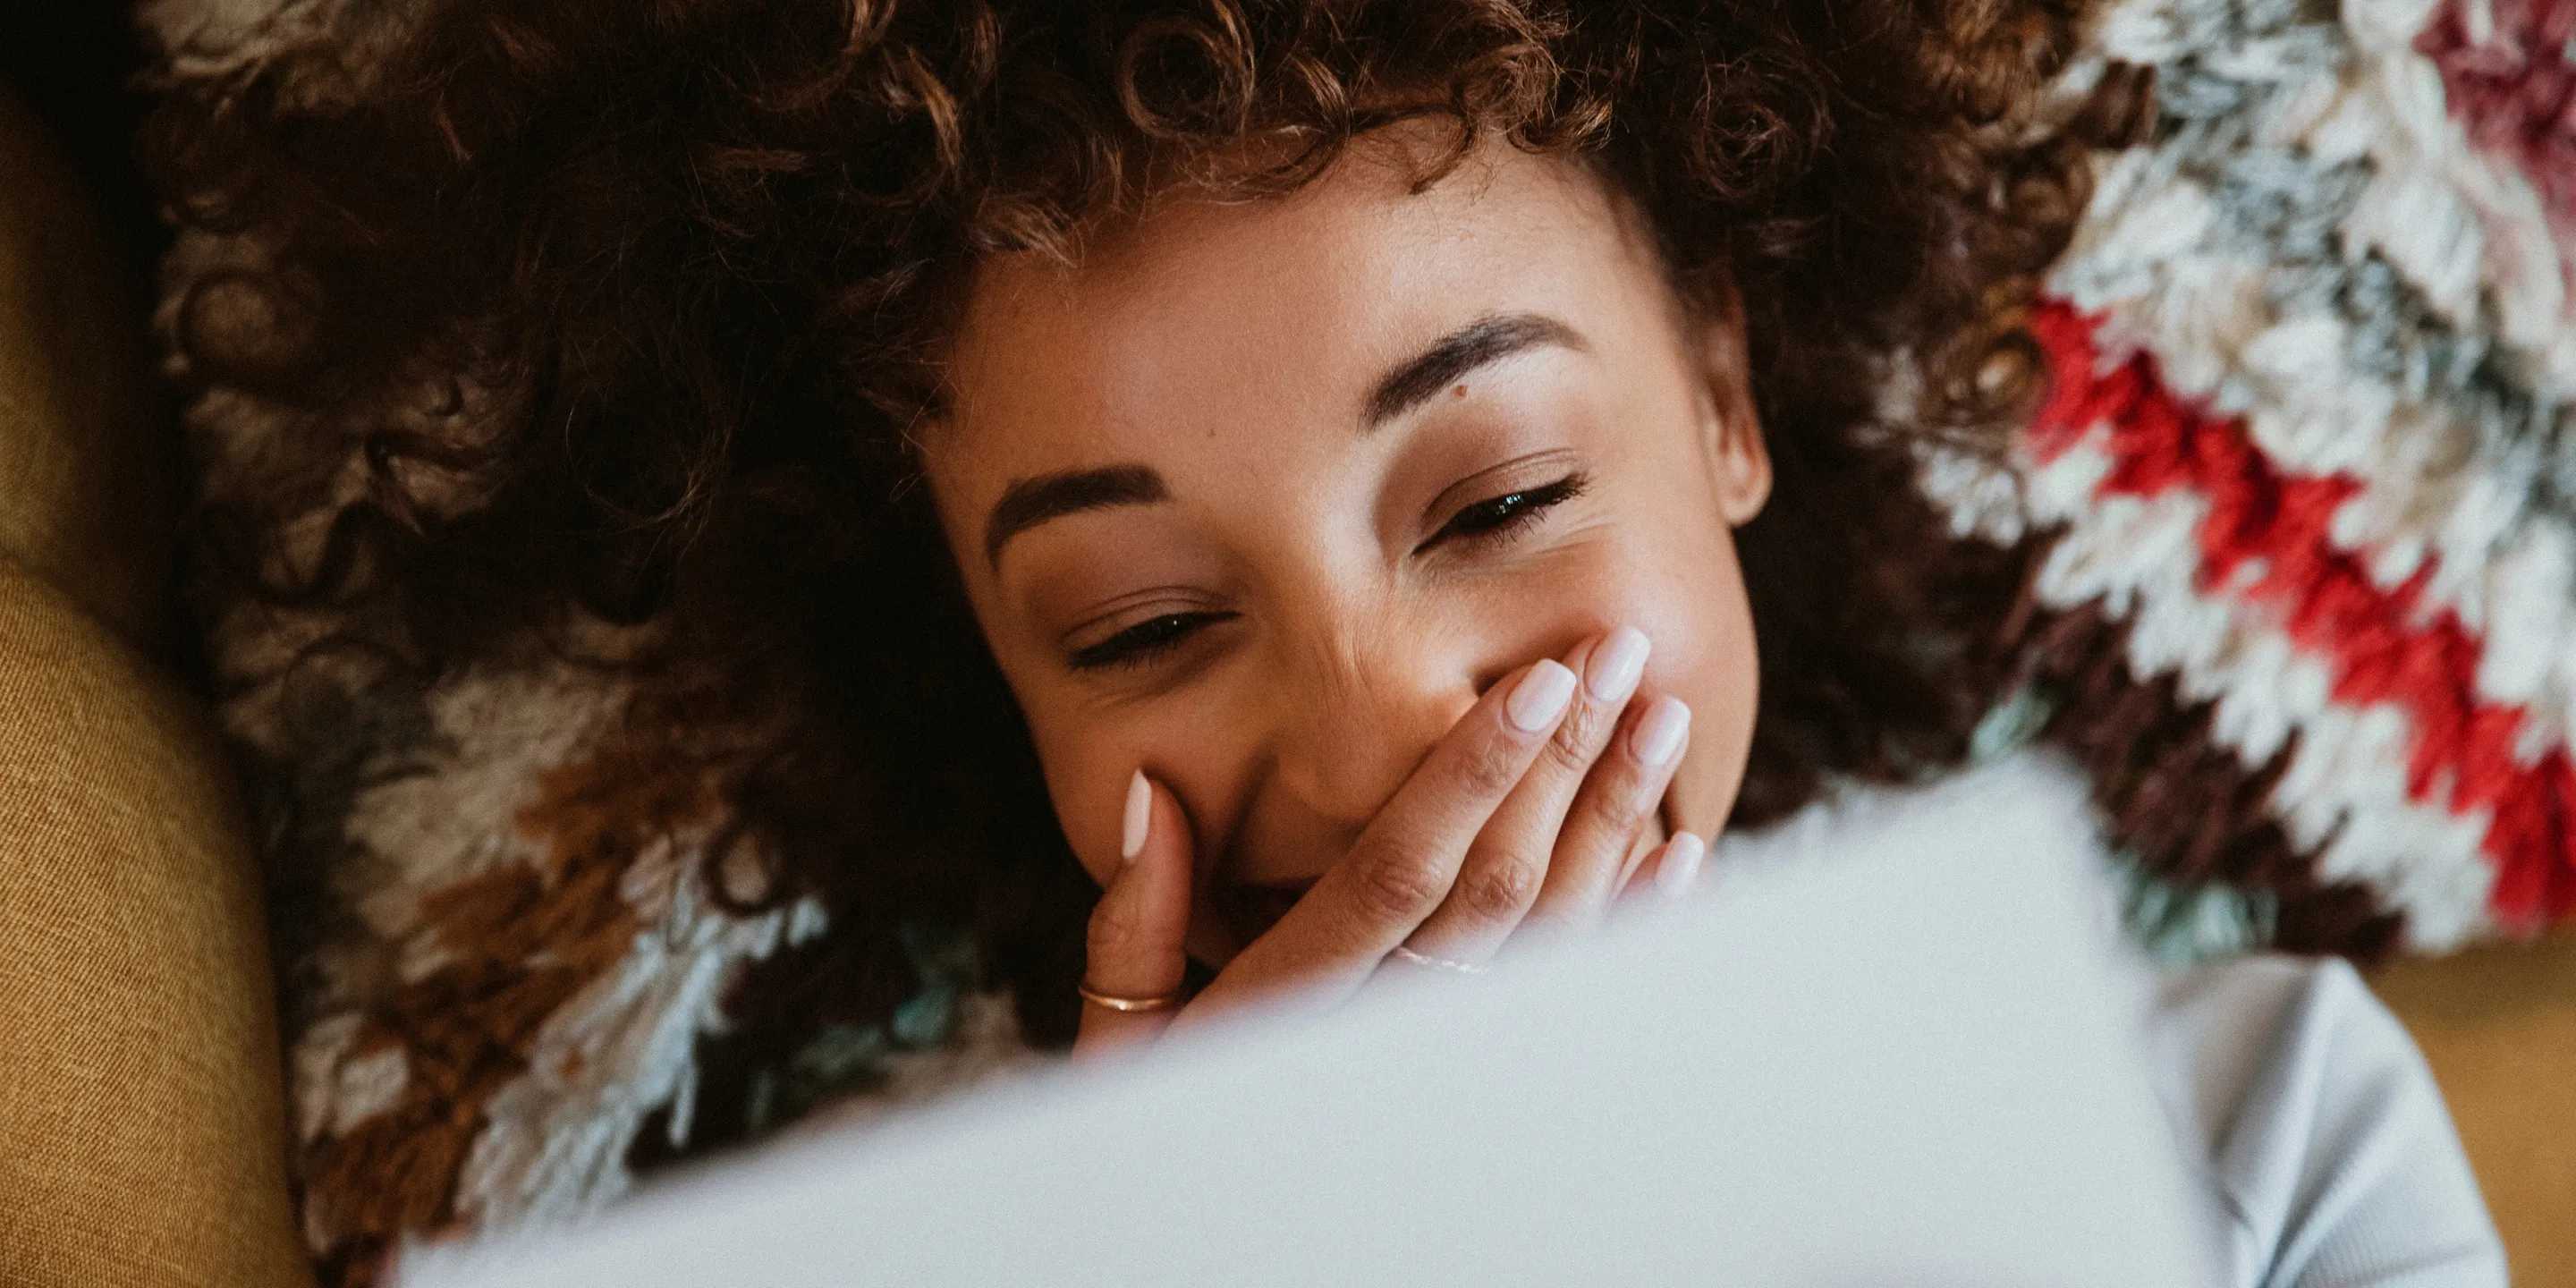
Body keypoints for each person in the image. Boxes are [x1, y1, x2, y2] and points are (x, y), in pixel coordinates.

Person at [149, 2, 2504, 1284]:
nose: (1382, 737)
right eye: (1148, 624)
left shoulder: (2263, 1136)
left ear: (1721, 387)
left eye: (1496, 497)